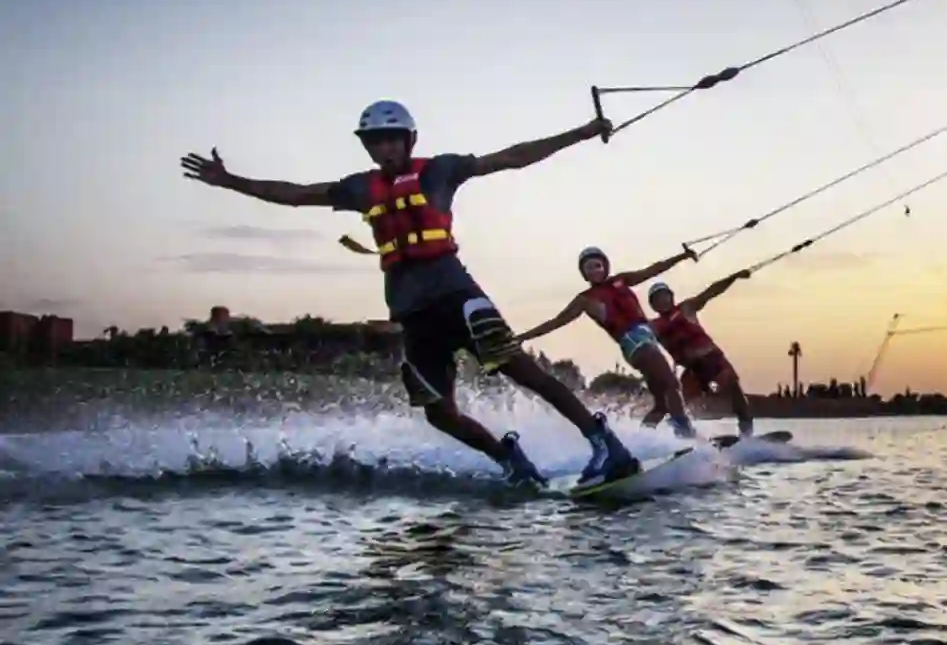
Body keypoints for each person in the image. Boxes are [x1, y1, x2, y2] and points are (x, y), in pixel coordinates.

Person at [179, 100, 640, 488]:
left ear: (408, 140)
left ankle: (606, 445)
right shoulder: (361, 187)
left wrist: (582, 132)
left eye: (391, 139)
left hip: (457, 295)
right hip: (413, 314)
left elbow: (511, 157)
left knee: (522, 370)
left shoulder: (441, 170)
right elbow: (296, 194)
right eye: (375, 141)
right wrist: (230, 180)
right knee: (438, 412)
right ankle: (510, 460)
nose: (384, 148)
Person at [509, 246, 701, 440]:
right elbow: (557, 321)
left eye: (597, 266)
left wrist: (682, 256)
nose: (594, 271)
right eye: (589, 268)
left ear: (605, 267)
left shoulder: (621, 280)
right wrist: (525, 336)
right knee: (671, 383)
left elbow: (653, 269)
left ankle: (643, 440)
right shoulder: (585, 299)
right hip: (633, 342)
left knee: (662, 402)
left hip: (648, 338)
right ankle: (685, 432)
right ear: (584, 274)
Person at [644, 269, 754, 437]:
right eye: (657, 299)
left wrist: (734, 276)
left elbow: (711, 291)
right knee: (671, 403)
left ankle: (747, 434)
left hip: (713, 360)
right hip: (692, 371)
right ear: (653, 305)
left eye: (665, 296)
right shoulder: (654, 327)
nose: (663, 300)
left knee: (735, 392)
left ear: (671, 297)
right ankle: (656, 437)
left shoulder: (687, 308)